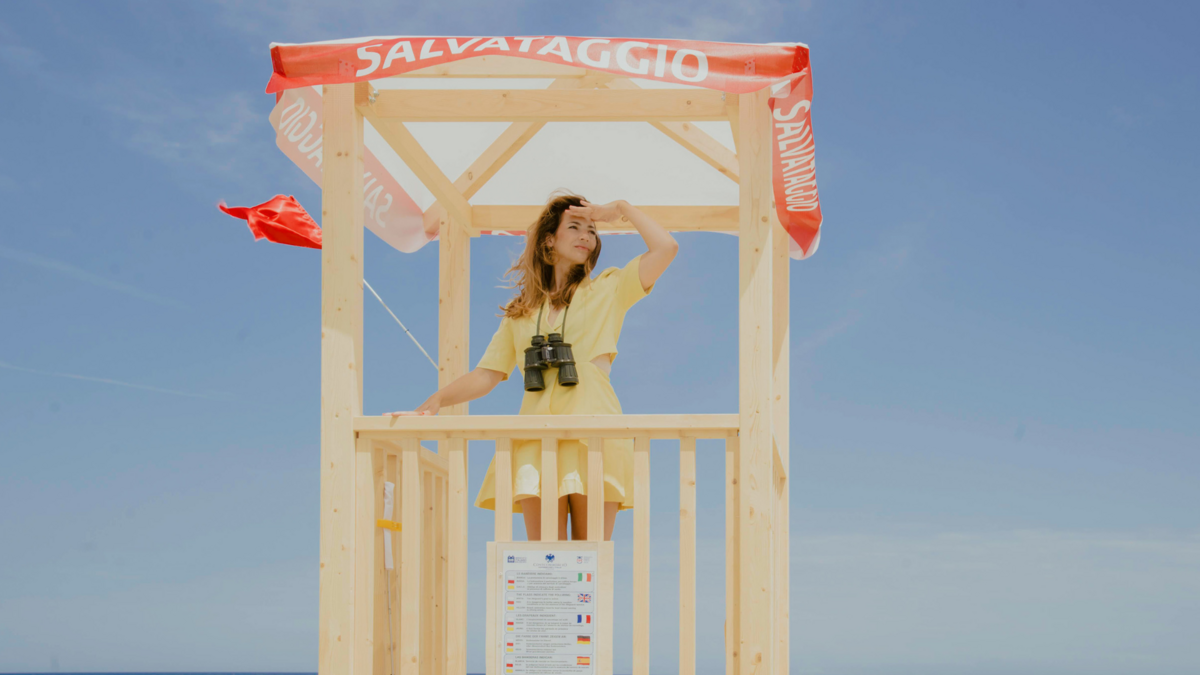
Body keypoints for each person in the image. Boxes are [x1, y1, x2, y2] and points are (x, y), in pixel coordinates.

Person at [387, 192, 678, 541]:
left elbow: (666, 248)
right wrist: (434, 402)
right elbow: (487, 374)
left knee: (590, 562)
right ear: (549, 240)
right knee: (544, 567)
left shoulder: (610, 288)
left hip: (595, 435)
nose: (586, 235)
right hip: (535, 441)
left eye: (592, 230)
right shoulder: (520, 312)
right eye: (574, 227)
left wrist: (620, 209)